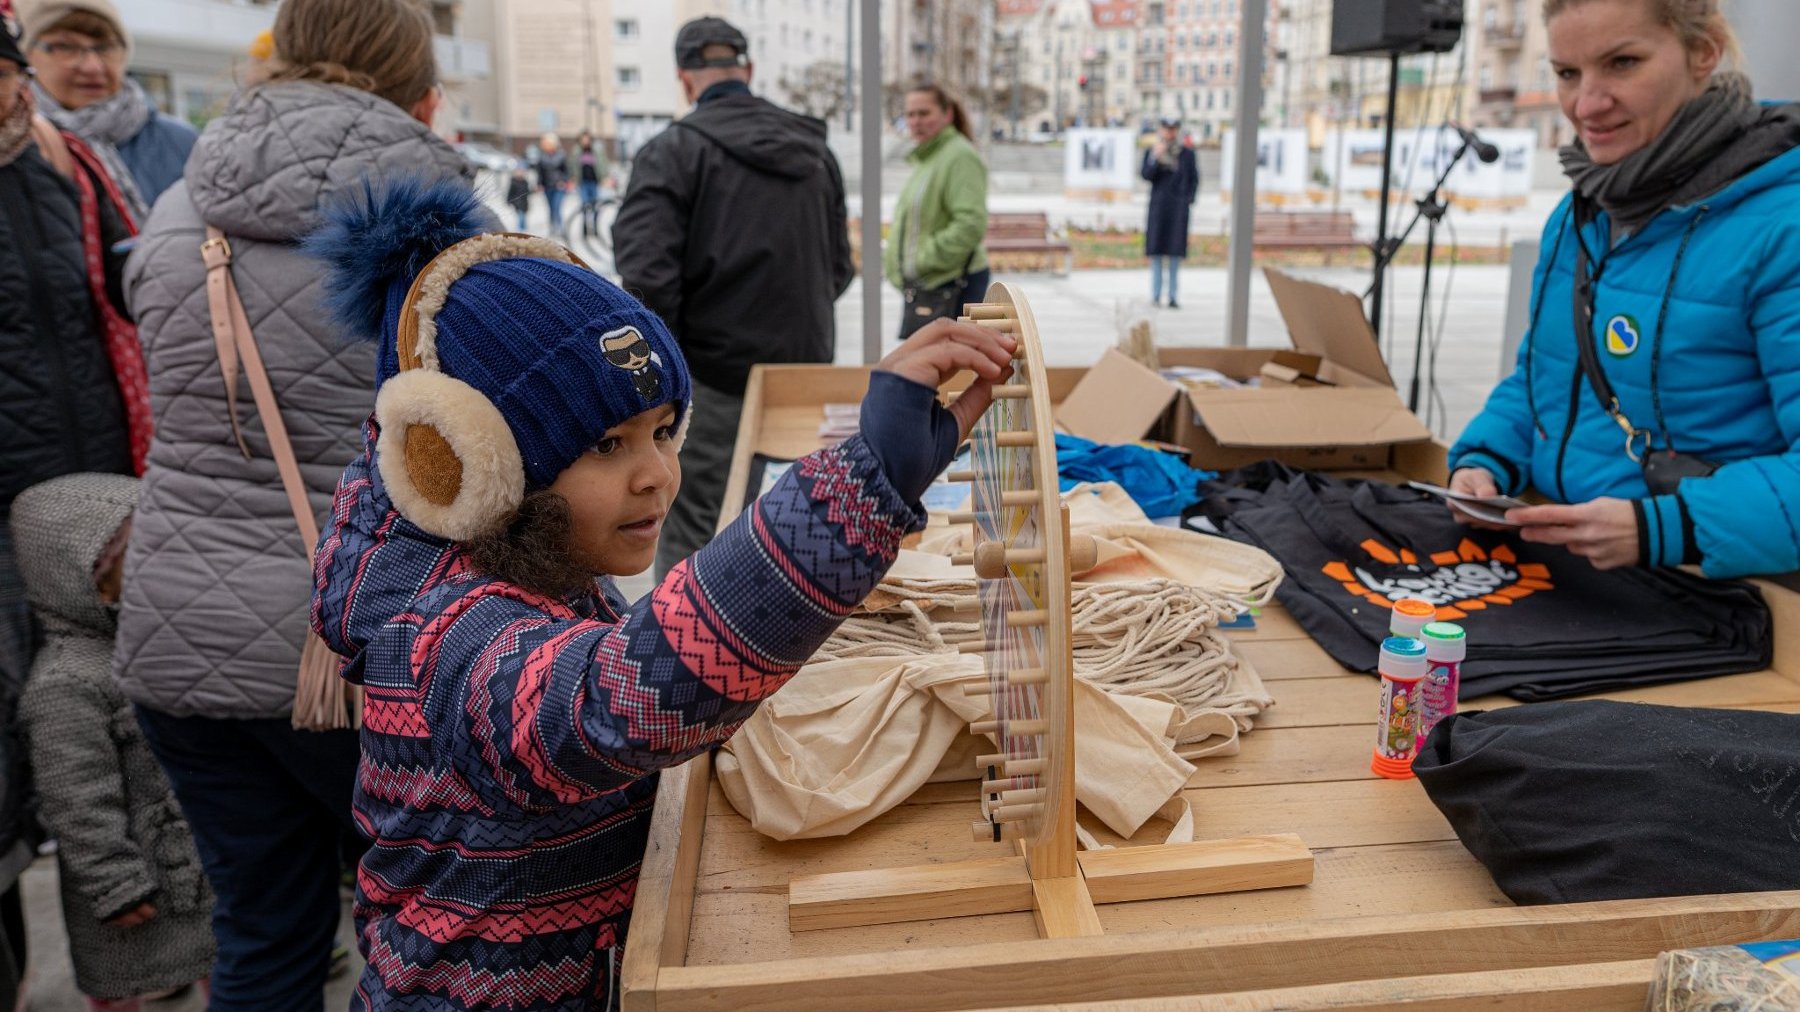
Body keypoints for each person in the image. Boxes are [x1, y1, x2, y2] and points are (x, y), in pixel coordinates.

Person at [303, 175, 1013, 1010]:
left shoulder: (522, 555)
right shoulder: (432, 633)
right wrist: (857, 490)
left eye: (665, 431)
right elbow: (613, 698)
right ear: (466, 462)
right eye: (607, 444)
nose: (657, 476)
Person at [110, 0, 481, 1007]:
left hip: (180, 632)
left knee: (263, 936)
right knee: (415, 931)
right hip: (366, 642)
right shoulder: (431, 214)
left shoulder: (182, 203)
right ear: (420, 86)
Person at [1447, 0, 1800, 580]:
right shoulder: (1581, 211)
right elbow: (1544, 381)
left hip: (1725, 602)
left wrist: (1664, 527)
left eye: (1623, 63)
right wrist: (1488, 458)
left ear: (1704, 51)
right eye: (1567, 73)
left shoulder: (1781, 226)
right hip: (1578, 577)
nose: (1586, 104)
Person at [0, 19, 147, 1000]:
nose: (10, 96)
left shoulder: (72, 167)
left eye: (7, 77)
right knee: (40, 734)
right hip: (3, 516)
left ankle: (135, 946)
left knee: (125, 723)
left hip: (91, 509)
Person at [614, 15, 854, 576]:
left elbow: (647, 281)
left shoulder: (672, 152)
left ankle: (685, 658)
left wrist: (664, 376)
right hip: (804, 375)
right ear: (746, 70)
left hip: (714, 381)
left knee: (693, 528)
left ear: (683, 78)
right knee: (795, 527)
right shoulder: (817, 153)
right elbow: (839, 268)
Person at [12, 473, 213, 1012]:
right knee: (122, 985)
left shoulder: (149, 642)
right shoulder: (66, 683)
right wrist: (114, 884)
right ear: (82, 580)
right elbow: (74, 798)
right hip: (131, 887)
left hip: (190, 868)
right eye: (136, 558)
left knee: (223, 963)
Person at [16, 0, 196, 219]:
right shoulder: (12, 146)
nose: (92, 66)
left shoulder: (180, 143)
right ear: (26, 56)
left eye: (106, 47)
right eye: (65, 47)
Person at [884, 82, 989, 339]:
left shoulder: (959, 156)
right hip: (930, 285)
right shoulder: (929, 158)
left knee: (944, 374)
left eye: (924, 113)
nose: (916, 121)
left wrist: (922, 260)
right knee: (927, 373)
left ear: (947, 114)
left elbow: (970, 223)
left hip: (951, 283)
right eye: (910, 114)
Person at [1142, 117, 1199, 309]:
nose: (1170, 133)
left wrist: (1187, 200)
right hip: (1159, 208)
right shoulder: (1154, 151)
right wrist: (1155, 158)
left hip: (1177, 209)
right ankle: (1156, 295)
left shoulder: (1186, 154)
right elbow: (1146, 175)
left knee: (1175, 254)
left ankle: (1173, 295)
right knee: (1156, 253)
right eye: (1167, 128)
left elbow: (1194, 179)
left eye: (1173, 129)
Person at [531, 130, 570, 232]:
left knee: (557, 206)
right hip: (547, 186)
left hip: (559, 186)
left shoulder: (561, 155)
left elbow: (566, 171)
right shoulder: (541, 156)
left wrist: (563, 181)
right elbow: (540, 173)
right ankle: (552, 226)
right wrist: (539, 184)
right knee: (551, 208)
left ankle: (559, 227)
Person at [573, 128, 607, 238]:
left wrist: (604, 177)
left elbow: (603, 164)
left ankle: (595, 227)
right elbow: (572, 166)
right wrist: (573, 178)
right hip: (583, 183)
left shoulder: (596, 150)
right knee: (584, 205)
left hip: (594, 182)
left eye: (587, 139)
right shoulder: (577, 151)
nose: (585, 141)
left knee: (596, 206)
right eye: (583, 139)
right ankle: (585, 228)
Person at [505, 158, 531, 230]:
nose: (520, 173)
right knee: (520, 215)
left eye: (522, 171)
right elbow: (510, 192)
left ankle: (524, 227)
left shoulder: (525, 182)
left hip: (524, 202)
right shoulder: (513, 182)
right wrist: (508, 200)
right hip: (517, 202)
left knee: (523, 215)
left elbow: (528, 192)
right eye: (519, 171)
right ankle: (520, 228)